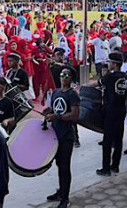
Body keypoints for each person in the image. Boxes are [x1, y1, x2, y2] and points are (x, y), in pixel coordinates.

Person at [45, 67, 80, 208]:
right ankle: (61, 191)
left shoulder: (72, 94)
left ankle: (65, 198)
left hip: (66, 136)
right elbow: (54, 109)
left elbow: (75, 115)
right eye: (61, 74)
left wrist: (57, 116)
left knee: (65, 167)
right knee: (59, 165)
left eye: (67, 75)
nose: (63, 77)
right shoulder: (55, 93)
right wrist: (48, 112)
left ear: (71, 78)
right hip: (55, 135)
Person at [95, 52, 127, 176]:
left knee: (107, 141)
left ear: (114, 64)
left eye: (110, 62)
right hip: (121, 110)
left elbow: (97, 84)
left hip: (110, 111)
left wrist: (82, 87)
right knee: (118, 139)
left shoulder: (109, 76)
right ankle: (115, 166)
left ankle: (105, 168)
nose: (108, 64)